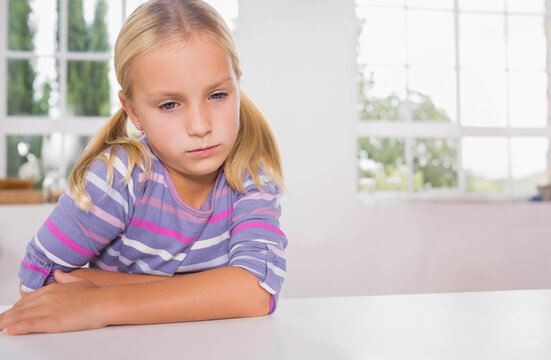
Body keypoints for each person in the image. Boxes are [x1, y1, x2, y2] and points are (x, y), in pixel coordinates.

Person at [0, 0, 286, 336]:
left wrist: (101, 303)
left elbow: (256, 292)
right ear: (132, 110)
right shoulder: (119, 178)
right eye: (169, 104)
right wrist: (214, 291)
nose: (200, 125)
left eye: (218, 95)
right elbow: (38, 275)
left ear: (238, 84)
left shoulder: (251, 176)